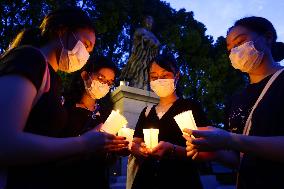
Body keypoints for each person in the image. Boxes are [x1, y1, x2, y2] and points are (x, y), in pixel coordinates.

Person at [0, 7, 128, 189]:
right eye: (85, 44)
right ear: (62, 31)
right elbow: (4, 142)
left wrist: (94, 142)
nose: (85, 55)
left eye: (90, 52)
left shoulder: (53, 79)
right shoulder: (30, 59)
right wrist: (83, 143)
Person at [184, 16, 284, 189]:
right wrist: (213, 152)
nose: (235, 52)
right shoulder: (235, 99)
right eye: (230, 49)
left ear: (268, 38)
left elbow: (234, 142)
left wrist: (229, 140)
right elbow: (240, 158)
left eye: (240, 42)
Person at [129, 54, 209, 189]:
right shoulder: (147, 112)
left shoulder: (190, 107)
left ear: (176, 77)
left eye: (165, 75)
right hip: (146, 180)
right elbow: (135, 143)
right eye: (154, 76)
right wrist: (140, 149)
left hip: (181, 180)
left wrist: (172, 150)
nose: (159, 80)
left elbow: (206, 151)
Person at [59, 56, 127, 189]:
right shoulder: (64, 106)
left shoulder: (106, 114)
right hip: (65, 179)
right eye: (101, 78)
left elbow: (108, 157)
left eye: (109, 82)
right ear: (85, 75)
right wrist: (83, 142)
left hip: (97, 180)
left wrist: (116, 149)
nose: (105, 85)